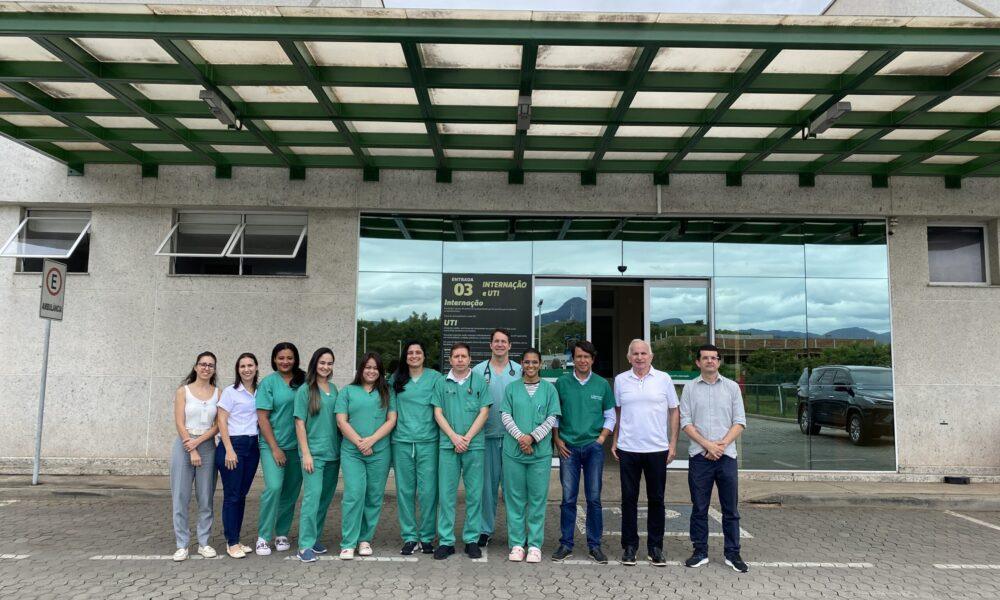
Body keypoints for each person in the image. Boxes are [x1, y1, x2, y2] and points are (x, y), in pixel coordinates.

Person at [680, 344, 748, 573]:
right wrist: (708, 445)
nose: (710, 361)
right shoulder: (689, 388)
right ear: (698, 362)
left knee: (731, 509)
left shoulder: (731, 388)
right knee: (699, 508)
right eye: (705, 358)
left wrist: (720, 446)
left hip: (726, 457)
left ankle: (733, 553)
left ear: (719, 361)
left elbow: (740, 422)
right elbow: (685, 422)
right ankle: (700, 552)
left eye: (714, 358)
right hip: (700, 457)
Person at [612, 339, 679, 567]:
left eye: (643, 353)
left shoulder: (664, 379)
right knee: (628, 499)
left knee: (657, 499)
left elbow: (674, 411)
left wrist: (672, 443)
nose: (639, 357)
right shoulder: (621, 380)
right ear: (629, 357)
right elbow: (618, 412)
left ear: (651, 356)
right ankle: (629, 547)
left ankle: (655, 547)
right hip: (628, 448)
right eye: (635, 354)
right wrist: (615, 440)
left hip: (657, 449)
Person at [551, 341, 615, 564]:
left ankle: (594, 546)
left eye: (587, 357)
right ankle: (566, 544)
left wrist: (601, 440)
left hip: (593, 448)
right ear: (573, 359)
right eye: (578, 356)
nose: (582, 360)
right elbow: (555, 415)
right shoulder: (562, 383)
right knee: (568, 498)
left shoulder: (601, 384)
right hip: (568, 447)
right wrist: (557, 438)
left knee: (594, 499)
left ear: (592, 360)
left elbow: (610, 416)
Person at [501, 348, 561, 563]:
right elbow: (506, 415)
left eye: (535, 362)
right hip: (514, 453)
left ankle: (535, 545)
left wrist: (532, 438)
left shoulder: (549, 389)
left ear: (540, 364)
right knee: (515, 499)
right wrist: (521, 438)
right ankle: (517, 544)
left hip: (539, 454)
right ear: (521, 364)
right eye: (527, 362)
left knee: (537, 499)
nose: (531, 366)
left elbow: (552, 418)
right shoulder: (511, 388)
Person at [335, 352, 397, 560]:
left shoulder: (387, 391)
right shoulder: (347, 391)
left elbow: (391, 420)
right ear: (361, 369)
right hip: (352, 453)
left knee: (373, 496)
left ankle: (364, 540)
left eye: (375, 368)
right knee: (354, 494)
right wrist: (360, 443)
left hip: (379, 452)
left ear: (381, 371)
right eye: (367, 367)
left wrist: (371, 440)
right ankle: (348, 542)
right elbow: (341, 421)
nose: (371, 371)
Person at [431, 342, 491, 560]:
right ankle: (446, 541)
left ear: (469, 359)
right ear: (450, 359)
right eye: (456, 356)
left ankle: (471, 540)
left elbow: (484, 412)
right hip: (449, 445)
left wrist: (467, 438)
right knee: (446, 495)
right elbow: (438, 413)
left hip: (474, 445)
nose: (459, 360)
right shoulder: (441, 383)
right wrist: (454, 437)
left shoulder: (479, 381)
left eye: (463, 356)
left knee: (474, 494)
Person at [390, 340, 444, 556]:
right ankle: (410, 537)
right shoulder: (396, 379)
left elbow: (442, 408)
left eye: (418, 352)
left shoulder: (435, 378)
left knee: (428, 491)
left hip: (428, 441)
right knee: (405, 491)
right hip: (402, 441)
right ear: (405, 356)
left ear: (424, 355)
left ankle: (427, 536)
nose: (414, 356)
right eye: (410, 352)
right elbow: (390, 410)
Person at [255, 342, 306, 556]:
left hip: (298, 447)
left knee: (290, 492)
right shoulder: (268, 383)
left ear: (296, 359)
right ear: (274, 359)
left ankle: (282, 533)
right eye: (281, 358)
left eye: (289, 358)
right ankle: (263, 536)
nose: (285, 361)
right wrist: (275, 448)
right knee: (274, 488)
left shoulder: (303, 381)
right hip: (272, 445)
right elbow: (262, 418)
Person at [170, 351, 220, 562]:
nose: (206, 368)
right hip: (184, 444)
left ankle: (204, 543)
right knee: (180, 497)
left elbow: (218, 425)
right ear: (196, 367)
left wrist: (198, 443)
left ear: (214, 369)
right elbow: (179, 421)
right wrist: (191, 447)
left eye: (210, 365)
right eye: (203, 364)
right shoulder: (183, 391)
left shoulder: (218, 393)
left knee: (205, 497)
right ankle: (182, 544)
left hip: (207, 446)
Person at [475, 327, 522, 547]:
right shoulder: (478, 371)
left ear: (510, 345)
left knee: (514, 489)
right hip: (487, 438)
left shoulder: (520, 371)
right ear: (490, 345)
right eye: (496, 341)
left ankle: (516, 531)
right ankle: (485, 529)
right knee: (487, 488)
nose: (500, 345)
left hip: (513, 439)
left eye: (504, 341)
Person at [293, 348, 341, 563]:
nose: (325, 367)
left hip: (333, 454)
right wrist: (306, 454)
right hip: (314, 454)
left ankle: (314, 539)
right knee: (312, 499)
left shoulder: (334, 388)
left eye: (329, 363)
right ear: (315, 364)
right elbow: (299, 423)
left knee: (324, 499)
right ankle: (304, 545)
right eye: (322, 362)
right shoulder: (305, 390)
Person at [216, 352, 261, 559]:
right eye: (242, 366)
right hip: (233, 445)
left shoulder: (260, 391)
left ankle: (236, 538)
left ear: (256, 367)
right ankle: (231, 542)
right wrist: (229, 449)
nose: (246, 369)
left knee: (241, 495)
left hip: (252, 446)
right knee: (232, 495)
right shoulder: (230, 392)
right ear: (237, 369)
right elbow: (221, 421)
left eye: (250, 365)